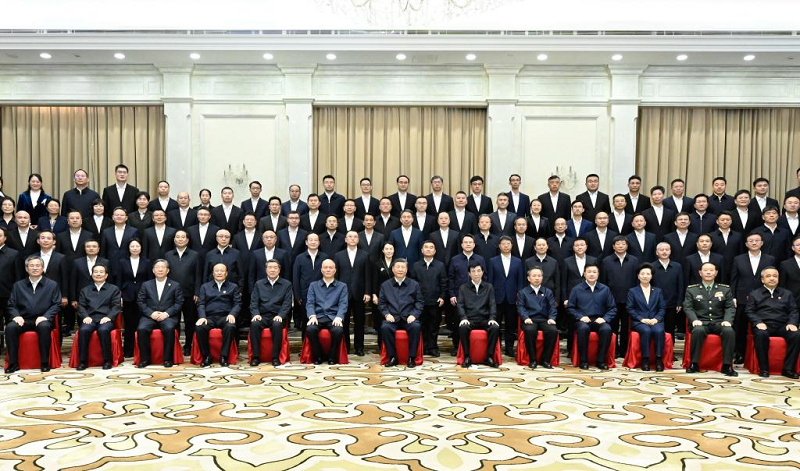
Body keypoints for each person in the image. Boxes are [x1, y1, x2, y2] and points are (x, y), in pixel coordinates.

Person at [5, 255, 61, 373]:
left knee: (44, 327)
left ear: (43, 268)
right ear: (26, 268)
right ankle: (13, 363)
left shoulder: (52, 285)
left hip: (42, 319)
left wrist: (45, 317)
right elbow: (11, 304)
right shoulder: (18, 285)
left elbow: (57, 304)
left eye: (37, 265)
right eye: (31, 266)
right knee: (10, 327)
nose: (35, 268)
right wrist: (16, 316)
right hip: (23, 319)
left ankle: (44, 363)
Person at [683, 262, 738, 376]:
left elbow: (729, 307)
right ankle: (694, 364)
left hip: (719, 322)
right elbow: (688, 307)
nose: (708, 272)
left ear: (716, 273)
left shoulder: (725, 289)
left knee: (729, 331)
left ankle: (727, 365)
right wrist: (694, 320)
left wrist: (727, 320)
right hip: (700, 322)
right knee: (698, 331)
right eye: (705, 270)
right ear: (700, 273)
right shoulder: (692, 289)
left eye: (711, 270)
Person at [745, 267, 799, 379]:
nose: (772, 278)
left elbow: (794, 310)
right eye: (768, 276)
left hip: (783, 325)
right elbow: (749, 311)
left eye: (775, 276)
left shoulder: (787, 293)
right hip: (764, 325)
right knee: (761, 334)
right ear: (762, 279)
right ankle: (764, 369)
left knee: (796, 335)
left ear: (778, 279)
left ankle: (788, 369)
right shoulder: (755, 294)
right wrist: (758, 322)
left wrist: (792, 323)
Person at [135, 259, 183, 368]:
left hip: (167, 316)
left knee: (169, 328)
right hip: (149, 316)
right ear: (153, 270)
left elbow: (179, 303)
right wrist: (151, 313)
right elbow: (140, 302)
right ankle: (144, 359)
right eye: (157, 267)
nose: (160, 270)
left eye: (163, 267)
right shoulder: (146, 285)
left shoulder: (175, 285)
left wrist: (166, 314)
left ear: (168, 270)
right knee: (141, 329)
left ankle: (168, 359)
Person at [568, 264, 616, 370]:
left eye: (594, 272)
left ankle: (600, 360)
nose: (591, 274)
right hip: (583, 320)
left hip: (600, 319)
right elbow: (570, 308)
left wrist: (605, 318)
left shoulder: (605, 289)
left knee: (607, 329)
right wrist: (580, 317)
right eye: (589, 272)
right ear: (584, 274)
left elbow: (612, 308)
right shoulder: (576, 289)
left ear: (598, 274)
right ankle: (583, 360)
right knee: (583, 329)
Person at [379, 258, 424, 367]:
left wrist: (414, 315)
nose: (400, 269)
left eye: (403, 267)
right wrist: (386, 314)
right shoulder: (385, 285)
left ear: (406, 269)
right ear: (393, 269)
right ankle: (392, 357)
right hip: (392, 318)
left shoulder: (414, 284)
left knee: (416, 326)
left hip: (408, 318)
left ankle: (411, 358)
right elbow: (382, 303)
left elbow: (419, 302)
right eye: (398, 267)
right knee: (385, 327)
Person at [333, 231, 373, 355]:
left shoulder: (365, 255)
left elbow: (368, 275)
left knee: (359, 322)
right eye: (350, 236)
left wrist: (367, 292)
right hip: (342, 294)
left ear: (358, 240)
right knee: (343, 322)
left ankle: (359, 347)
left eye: (355, 237)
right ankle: (345, 346)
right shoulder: (338, 255)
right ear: (345, 239)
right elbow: (336, 276)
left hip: (359, 293)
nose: (352, 239)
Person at [75, 264, 121, 370]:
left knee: (103, 330)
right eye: (95, 272)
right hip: (90, 318)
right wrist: (85, 317)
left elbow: (116, 306)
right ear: (92, 275)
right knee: (83, 330)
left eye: (101, 272)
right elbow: (81, 306)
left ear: (106, 275)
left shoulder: (114, 289)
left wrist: (109, 317)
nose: (98, 274)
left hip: (106, 318)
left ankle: (107, 361)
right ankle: (82, 361)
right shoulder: (85, 290)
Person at [195, 263, 241, 367]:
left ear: (226, 273)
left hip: (225, 317)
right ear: (213, 273)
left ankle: (224, 356)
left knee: (230, 326)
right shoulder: (205, 287)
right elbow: (201, 304)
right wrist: (202, 317)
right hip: (209, 317)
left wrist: (232, 314)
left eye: (222, 270)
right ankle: (206, 356)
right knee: (200, 327)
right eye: (217, 270)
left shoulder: (233, 287)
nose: (219, 273)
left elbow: (237, 304)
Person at [249, 259, 293, 366]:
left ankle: (275, 357)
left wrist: (280, 315)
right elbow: (254, 302)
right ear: (266, 270)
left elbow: (287, 303)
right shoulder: (259, 284)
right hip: (262, 316)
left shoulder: (286, 284)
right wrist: (256, 314)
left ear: (279, 270)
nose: (272, 270)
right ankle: (255, 357)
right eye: (270, 267)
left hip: (277, 316)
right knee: (254, 324)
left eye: (275, 268)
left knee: (277, 325)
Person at [164, 230, 201, 355]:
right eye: (178, 237)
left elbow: (198, 275)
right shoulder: (168, 255)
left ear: (187, 240)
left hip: (189, 293)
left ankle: (188, 345)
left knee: (190, 321)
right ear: (174, 239)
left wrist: (197, 292)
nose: (180, 239)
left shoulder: (194, 255)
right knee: (173, 322)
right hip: (172, 294)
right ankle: (175, 345)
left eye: (183, 237)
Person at [456, 262, 500, 368]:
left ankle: (489, 357)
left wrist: (492, 318)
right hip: (470, 319)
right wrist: (463, 318)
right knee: (463, 327)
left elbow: (492, 304)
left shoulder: (489, 287)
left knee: (495, 327)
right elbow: (460, 305)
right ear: (469, 273)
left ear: (482, 272)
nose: (476, 274)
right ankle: (467, 357)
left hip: (485, 319)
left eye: (479, 271)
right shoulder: (463, 288)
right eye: (473, 271)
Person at [305, 259, 348, 364]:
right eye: (325, 267)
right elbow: (310, 303)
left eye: (330, 267)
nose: (328, 270)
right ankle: (318, 356)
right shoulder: (313, 285)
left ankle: (332, 357)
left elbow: (343, 304)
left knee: (338, 331)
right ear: (321, 270)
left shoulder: (342, 286)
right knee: (310, 329)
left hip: (333, 317)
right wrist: (312, 316)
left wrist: (339, 317)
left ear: (335, 270)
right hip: (318, 317)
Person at [488, 236, 525, 356]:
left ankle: (509, 348)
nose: (506, 246)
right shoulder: (492, 261)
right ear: (499, 246)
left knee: (511, 325)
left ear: (512, 246)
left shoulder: (518, 261)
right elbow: (490, 281)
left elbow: (520, 281)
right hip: (497, 297)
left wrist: (519, 297)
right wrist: (490, 297)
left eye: (508, 243)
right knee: (496, 323)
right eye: (503, 243)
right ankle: (496, 347)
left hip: (512, 298)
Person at [627, 263, 667, 371]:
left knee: (659, 331)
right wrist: (641, 319)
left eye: (648, 274)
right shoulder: (632, 291)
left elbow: (662, 308)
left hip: (655, 320)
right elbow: (630, 308)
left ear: (651, 276)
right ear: (638, 276)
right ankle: (645, 359)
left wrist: (656, 319)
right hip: (639, 322)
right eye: (642, 274)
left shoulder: (658, 291)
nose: (645, 276)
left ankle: (659, 359)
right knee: (646, 331)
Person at [115, 238, 151, 356]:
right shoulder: (122, 262)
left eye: (137, 246)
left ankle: (141, 348)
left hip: (143, 296)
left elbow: (150, 280)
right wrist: (119, 295)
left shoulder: (147, 262)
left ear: (141, 248)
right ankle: (129, 350)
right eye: (132, 246)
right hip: (127, 295)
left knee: (142, 322)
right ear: (128, 248)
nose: (135, 248)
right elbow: (119, 280)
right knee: (129, 324)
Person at [517, 266, 558, 369]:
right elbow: (520, 307)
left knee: (553, 331)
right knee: (530, 330)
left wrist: (552, 318)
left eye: (539, 276)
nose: (537, 278)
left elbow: (552, 307)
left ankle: (546, 360)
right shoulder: (523, 292)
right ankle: (533, 359)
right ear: (528, 278)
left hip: (544, 319)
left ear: (542, 278)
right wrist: (525, 317)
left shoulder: (548, 292)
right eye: (534, 276)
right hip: (530, 319)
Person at [410, 241, 447, 357]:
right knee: (422, 325)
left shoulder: (440, 265)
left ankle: (432, 347)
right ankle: (423, 347)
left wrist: (442, 296)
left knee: (434, 326)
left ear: (435, 251)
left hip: (435, 301)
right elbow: (412, 284)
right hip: (420, 302)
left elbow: (444, 282)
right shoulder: (416, 265)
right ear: (422, 250)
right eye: (426, 247)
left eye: (431, 247)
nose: (428, 249)